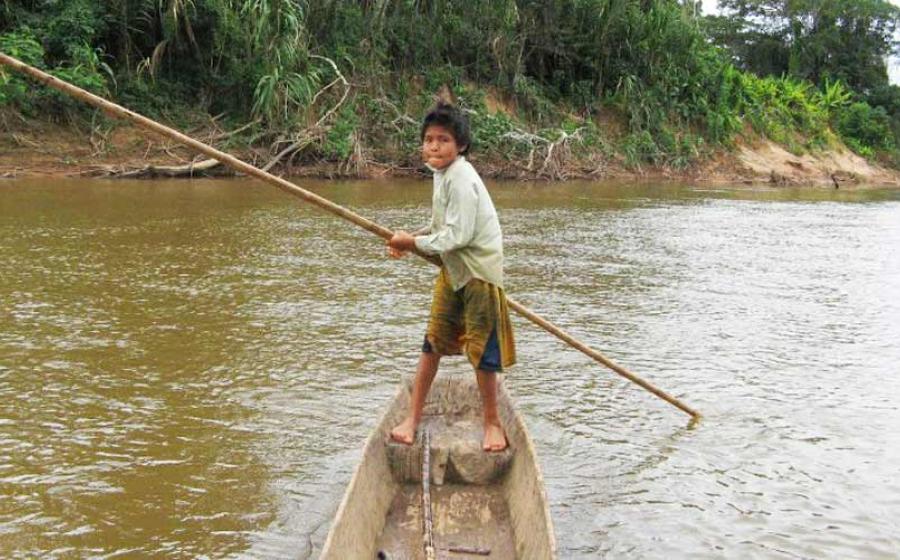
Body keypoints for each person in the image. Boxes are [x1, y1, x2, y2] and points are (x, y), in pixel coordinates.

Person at [386, 102, 516, 452]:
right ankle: (412, 417)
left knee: (482, 352)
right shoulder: (441, 175)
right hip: (453, 270)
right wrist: (411, 241)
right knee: (433, 343)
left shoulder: (462, 178)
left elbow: (457, 236)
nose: (434, 146)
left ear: (460, 146)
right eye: (428, 139)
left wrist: (412, 242)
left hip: (478, 275)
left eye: (443, 140)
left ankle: (492, 422)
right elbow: (441, 228)